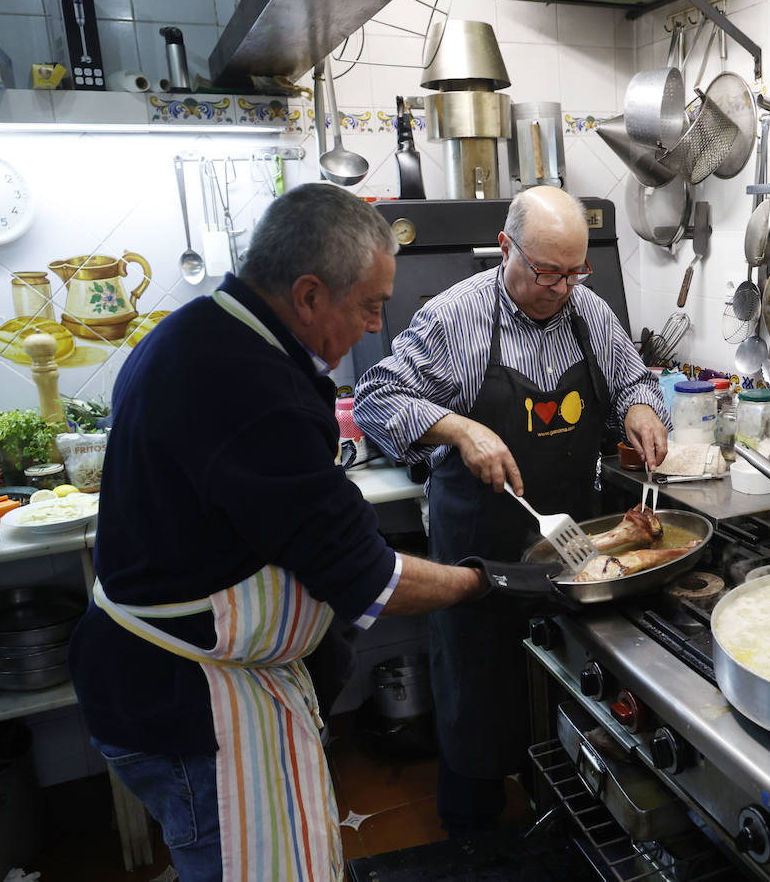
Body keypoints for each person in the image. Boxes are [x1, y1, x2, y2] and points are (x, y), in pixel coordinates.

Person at [68, 184, 515, 882]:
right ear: (309, 295)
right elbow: (372, 578)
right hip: (191, 702)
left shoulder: (202, 332)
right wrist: (490, 580)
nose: (375, 326)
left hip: (184, 682)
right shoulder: (245, 384)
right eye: (369, 306)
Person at [353, 185, 670, 835]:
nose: (562, 286)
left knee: (569, 693)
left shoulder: (589, 311)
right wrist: (459, 429)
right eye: (547, 270)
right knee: (478, 701)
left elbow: (634, 379)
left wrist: (641, 407)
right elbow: (375, 399)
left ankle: (560, 831)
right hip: (481, 552)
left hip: (573, 551)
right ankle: (474, 844)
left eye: (574, 271)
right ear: (506, 249)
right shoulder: (453, 318)